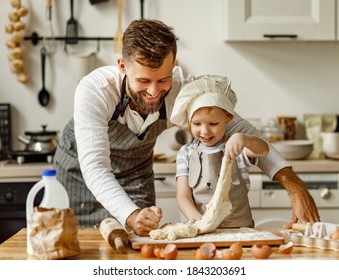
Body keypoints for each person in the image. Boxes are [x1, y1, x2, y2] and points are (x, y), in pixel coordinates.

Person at [54, 18, 319, 237]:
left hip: (135, 172)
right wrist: (130, 213)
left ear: (174, 66)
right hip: (82, 174)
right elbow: (96, 167)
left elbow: (243, 130)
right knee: (84, 245)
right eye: (144, 80)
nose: (154, 92)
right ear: (122, 66)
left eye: (163, 79)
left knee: (140, 245)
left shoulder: (184, 90)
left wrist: (295, 186)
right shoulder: (95, 90)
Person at [170, 75, 269, 228]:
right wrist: (196, 218)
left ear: (228, 117)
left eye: (213, 123)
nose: (205, 131)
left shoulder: (237, 147)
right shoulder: (186, 153)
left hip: (239, 230)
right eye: (196, 123)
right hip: (203, 229)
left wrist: (244, 139)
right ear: (189, 121)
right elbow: (183, 196)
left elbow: (263, 150)